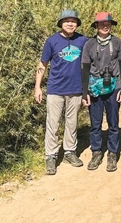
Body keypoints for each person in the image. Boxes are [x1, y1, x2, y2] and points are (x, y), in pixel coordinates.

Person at [34, 9, 88, 175]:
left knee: (72, 123)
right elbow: (42, 65)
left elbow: (96, 54)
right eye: (67, 21)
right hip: (55, 89)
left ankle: (70, 152)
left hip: (76, 89)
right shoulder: (52, 41)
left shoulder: (83, 40)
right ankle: (50, 156)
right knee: (53, 123)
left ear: (77, 23)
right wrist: (37, 87)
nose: (70, 24)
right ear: (61, 23)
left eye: (73, 21)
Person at [81, 12, 121, 172]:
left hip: (113, 87)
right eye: (101, 24)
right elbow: (85, 69)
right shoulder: (89, 44)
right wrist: (84, 93)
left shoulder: (118, 43)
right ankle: (96, 152)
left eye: (107, 23)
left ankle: (112, 154)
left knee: (113, 124)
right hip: (94, 88)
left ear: (111, 25)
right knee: (95, 124)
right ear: (96, 26)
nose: (105, 26)